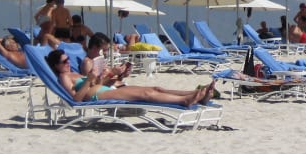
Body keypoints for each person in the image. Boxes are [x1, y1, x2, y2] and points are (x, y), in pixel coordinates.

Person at [45, 48, 214, 105]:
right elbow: (76, 99)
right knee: (145, 95)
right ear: (56, 66)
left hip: (102, 88)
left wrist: (108, 75)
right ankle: (185, 101)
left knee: (155, 88)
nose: (68, 63)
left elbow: (93, 83)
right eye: (64, 61)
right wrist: (89, 80)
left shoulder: (73, 73)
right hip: (98, 95)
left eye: (67, 60)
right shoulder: (63, 78)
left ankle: (195, 95)